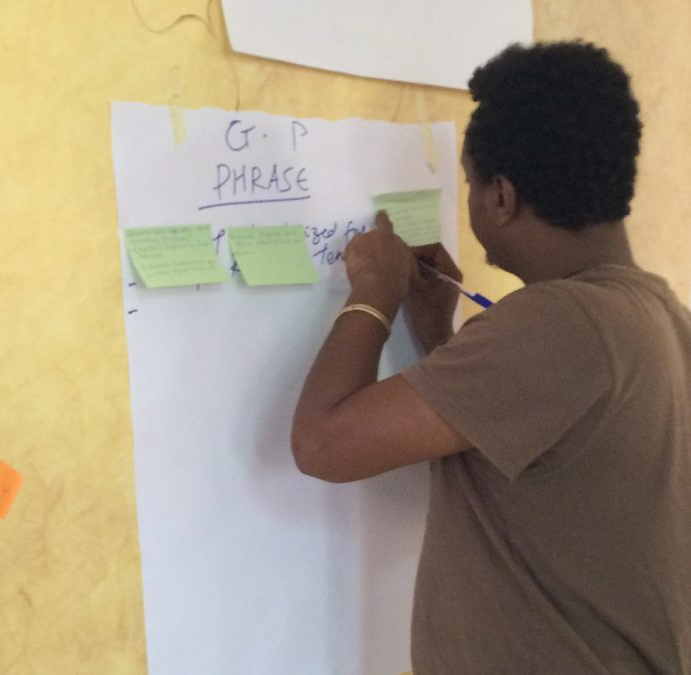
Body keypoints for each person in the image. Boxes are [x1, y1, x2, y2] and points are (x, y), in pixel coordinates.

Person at [290, 41, 691, 674]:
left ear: (501, 196)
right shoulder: (657, 314)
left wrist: (375, 292)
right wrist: (436, 331)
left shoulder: (561, 322)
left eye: (470, 184)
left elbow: (323, 444)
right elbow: (515, 443)